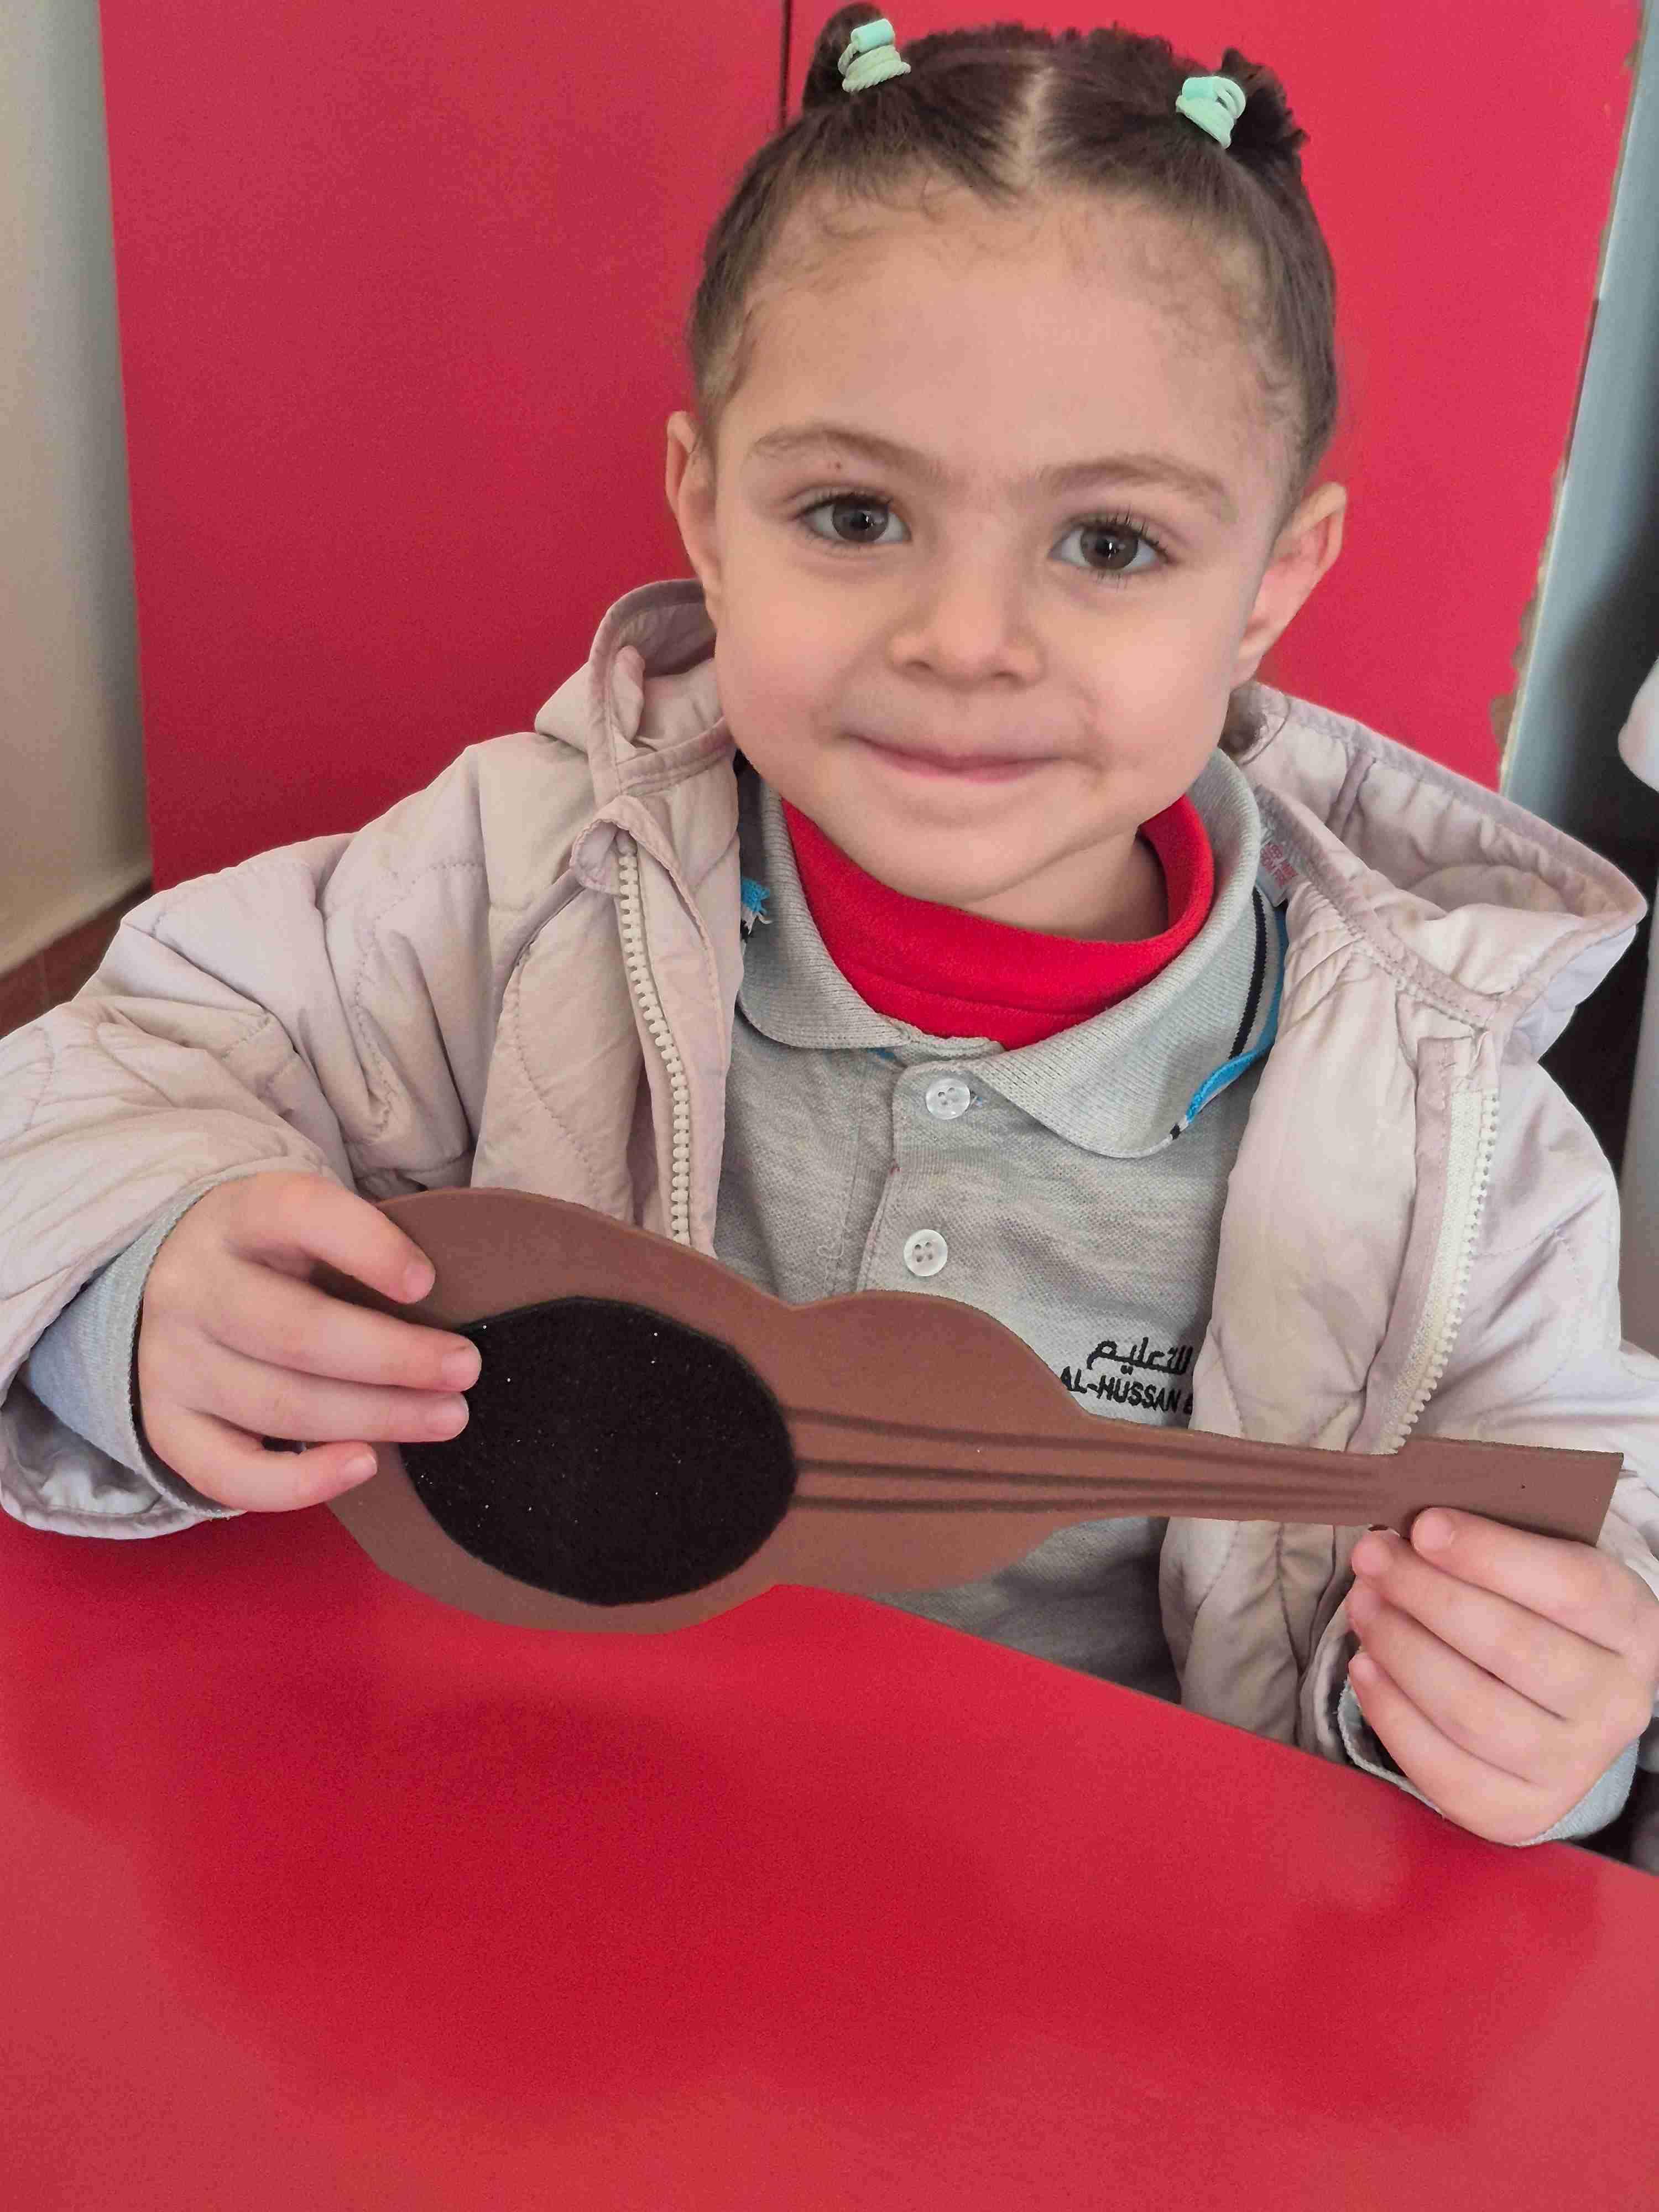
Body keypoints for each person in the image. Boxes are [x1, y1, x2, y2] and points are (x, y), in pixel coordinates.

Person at [4, 10, 1658, 1865]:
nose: (965, 639)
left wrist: (1545, 1697)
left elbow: (1589, 1503)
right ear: (709, 516)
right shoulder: (520, 873)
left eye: (1110, 544)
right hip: (530, 1817)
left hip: (1090, 1920)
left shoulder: (1437, 1100)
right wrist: (136, 1283)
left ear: (1273, 582)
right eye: (855, 515)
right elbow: (92, 1083)